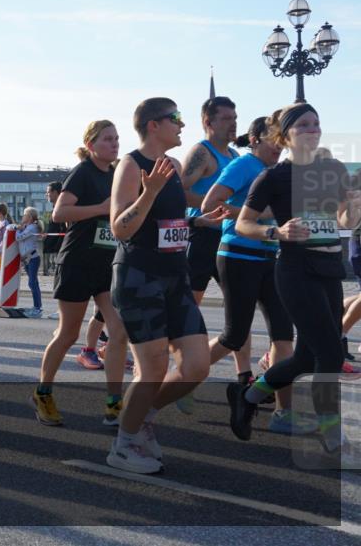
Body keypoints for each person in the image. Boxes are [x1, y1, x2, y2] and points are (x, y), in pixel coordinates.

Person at [228, 103, 361, 454]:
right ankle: (331, 432)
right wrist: (279, 232)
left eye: (316, 123)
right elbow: (243, 223)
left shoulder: (332, 168)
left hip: (330, 271)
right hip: (294, 271)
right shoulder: (272, 177)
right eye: (303, 125)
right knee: (331, 352)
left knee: (305, 359)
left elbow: (345, 222)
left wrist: (354, 205)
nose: (313, 129)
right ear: (285, 136)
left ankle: (250, 395)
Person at [107, 98, 223, 474]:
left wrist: (198, 222)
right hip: (139, 277)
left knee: (197, 365)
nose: (182, 124)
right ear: (153, 125)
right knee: (152, 367)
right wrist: (149, 192)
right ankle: (124, 444)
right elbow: (120, 229)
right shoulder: (131, 165)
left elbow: (169, 225)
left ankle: (143, 417)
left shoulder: (173, 166)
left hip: (176, 275)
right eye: (175, 118)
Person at [200, 117, 305, 433]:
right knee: (234, 335)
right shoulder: (245, 165)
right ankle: (184, 375)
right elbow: (210, 204)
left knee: (284, 335)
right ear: (257, 139)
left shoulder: (278, 173)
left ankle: (283, 413)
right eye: (274, 138)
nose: (279, 145)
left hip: (270, 257)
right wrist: (257, 213)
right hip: (236, 256)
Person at [33, 120, 130, 428]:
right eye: (107, 139)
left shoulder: (115, 175)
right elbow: (59, 214)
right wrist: (100, 208)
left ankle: (115, 402)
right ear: (91, 145)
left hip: (105, 263)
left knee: (118, 330)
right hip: (76, 262)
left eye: (116, 139)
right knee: (68, 333)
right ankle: (43, 392)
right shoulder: (83, 172)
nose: (114, 144)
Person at [180, 96, 239, 304]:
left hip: (228, 237)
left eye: (235, 118)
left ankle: (232, 338)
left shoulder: (234, 155)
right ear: (208, 122)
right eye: (226, 118)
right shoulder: (202, 153)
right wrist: (213, 205)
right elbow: (178, 193)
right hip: (203, 236)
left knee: (240, 303)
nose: (233, 124)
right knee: (189, 305)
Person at [15, 206, 43, 317]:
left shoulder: (31, 228)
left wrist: (17, 230)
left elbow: (19, 238)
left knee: (33, 283)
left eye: (25, 214)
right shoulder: (28, 227)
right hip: (28, 259)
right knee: (32, 283)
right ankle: (36, 307)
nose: (23, 216)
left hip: (33, 259)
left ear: (30, 217)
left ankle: (37, 308)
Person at [42, 182, 65, 279]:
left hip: (62, 250)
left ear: (55, 192)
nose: (46, 195)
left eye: (48, 192)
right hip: (57, 250)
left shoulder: (63, 209)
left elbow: (64, 229)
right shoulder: (55, 209)